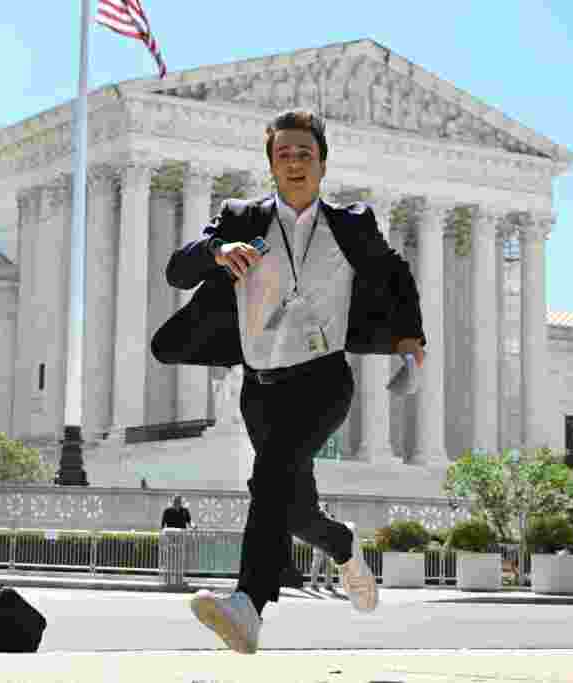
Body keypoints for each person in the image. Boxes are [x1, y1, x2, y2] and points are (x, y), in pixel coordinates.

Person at [151, 109, 426, 655]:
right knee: (291, 507)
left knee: (270, 474)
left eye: (305, 153)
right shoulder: (240, 218)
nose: (295, 162)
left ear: (322, 163)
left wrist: (410, 345)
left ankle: (248, 605)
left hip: (323, 380)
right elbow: (176, 271)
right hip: (261, 383)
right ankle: (342, 545)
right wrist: (215, 253)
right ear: (271, 165)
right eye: (284, 154)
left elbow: (395, 274)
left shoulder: (352, 224)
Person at [309, 503, 337, 592]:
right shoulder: (317, 517)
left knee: (329, 565)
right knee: (316, 564)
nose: (326, 508)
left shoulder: (329, 517)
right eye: (325, 507)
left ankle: (328, 584)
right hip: (319, 543)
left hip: (328, 544)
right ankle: (313, 584)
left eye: (327, 507)